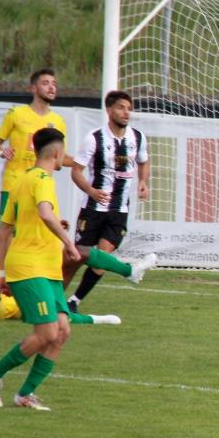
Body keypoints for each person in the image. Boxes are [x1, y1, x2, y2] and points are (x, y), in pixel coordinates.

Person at [0, 128, 82, 411]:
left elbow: (4, 231)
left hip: (46, 268)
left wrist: (3, 274)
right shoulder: (41, 178)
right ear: (56, 154)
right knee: (47, 333)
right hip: (32, 267)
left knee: (62, 330)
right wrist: (69, 242)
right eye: (63, 154)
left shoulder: (22, 179)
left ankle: (24, 394)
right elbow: (43, 212)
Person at [64, 90, 154, 312]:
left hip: (119, 209)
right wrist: (91, 191)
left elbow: (143, 162)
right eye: (121, 107)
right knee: (77, 256)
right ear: (109, 109)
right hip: (92, 209)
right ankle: (57, 297)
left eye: (129, 108)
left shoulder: (137, 137)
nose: (126, 113)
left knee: (102, 257)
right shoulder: (94, 138)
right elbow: (76, 171)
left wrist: (143, 181)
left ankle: (74, 301)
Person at [0, 69, 71, 232]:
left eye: (54, 84)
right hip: (14, 184)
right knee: (6, 234)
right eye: (46, 83)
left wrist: (82, 162)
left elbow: (60, 157)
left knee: (37, 232)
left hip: (41, 186)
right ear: (33, 88)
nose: (51, 87)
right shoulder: (16, 114)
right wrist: (1, 152)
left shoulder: (58, 121)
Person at [0, 245, 120, 324]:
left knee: (78, 253)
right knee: (59, 319)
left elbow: (11, 249)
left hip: (33, 271)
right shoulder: (8, 301)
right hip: (30, 298)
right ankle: (96, 319)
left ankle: (129, 271)